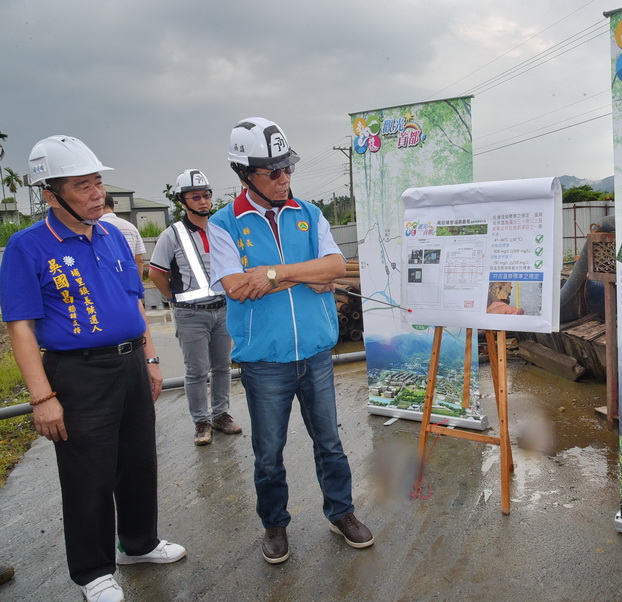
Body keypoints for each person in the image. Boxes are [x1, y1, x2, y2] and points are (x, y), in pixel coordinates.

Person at [0, 136, 185, 602]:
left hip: (130, 364)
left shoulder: (111, 235)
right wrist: (42, 397)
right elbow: (20, 327)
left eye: (98, 182)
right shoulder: (28, 247)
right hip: (77, 373)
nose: (97, 193)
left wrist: (150, 359)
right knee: (88, 475)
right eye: (82, 186)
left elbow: (134, 302)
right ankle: (93, 572)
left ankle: (138, 544)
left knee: (139, 461)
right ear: (51, 194)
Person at [208, 117, 373, 564]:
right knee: (268, 452)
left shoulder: (310, 214)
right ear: (245, 174)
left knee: (330, 442)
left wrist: (274, 274)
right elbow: (236, 286)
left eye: (288, 168)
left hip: (316, 353)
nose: (285, 178)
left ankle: (341, 512)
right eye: (274, 171)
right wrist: (307, 275)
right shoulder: (224, 224)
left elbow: (334, 267)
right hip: (265, 362)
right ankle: (275, 524)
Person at [149, 169, 241, 446]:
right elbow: (156, 273)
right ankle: (201, 422)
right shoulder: (172, 235)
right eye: (196, 197)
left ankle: (220, 415)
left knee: (222, 366)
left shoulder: (219, 229)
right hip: (190, 314)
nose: (203, 201)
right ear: (183, 201)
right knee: (197, 370)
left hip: (222, 309)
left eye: (206, 195)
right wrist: (174, 298)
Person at [100, 193, 146, 277]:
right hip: (129, 276)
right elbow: (139, 260)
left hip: (106, 277)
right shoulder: (131, 227)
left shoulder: (94, 227)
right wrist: (137, 281)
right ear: (113, 207)